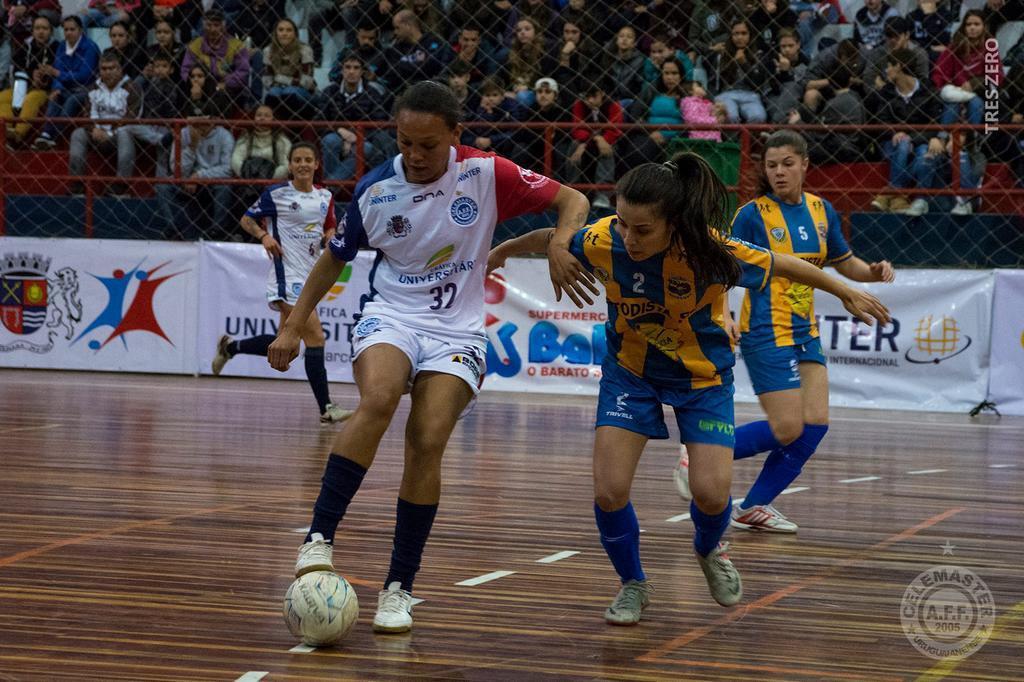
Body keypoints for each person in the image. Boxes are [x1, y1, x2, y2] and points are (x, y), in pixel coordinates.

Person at [491, 151, 891, 623]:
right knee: (609, 490)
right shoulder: (604, 238)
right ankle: (633, 583)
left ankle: (708, 548)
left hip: (703, 379)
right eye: (622, 223)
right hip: (630, 374)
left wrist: (845, 289)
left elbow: (781, 264)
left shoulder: (710, 249)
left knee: (711, 495)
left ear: (675, 223)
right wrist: (503, 251)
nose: (627, 237)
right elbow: (550, 236)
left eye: (642, 230)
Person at [266, 80, 591, 634]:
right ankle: (318, 537)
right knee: (379, 399)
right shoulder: (376, 189)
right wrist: (294, 323)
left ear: (455, 137)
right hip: (393, 315)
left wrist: (561, 242)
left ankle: (400, 588)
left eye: (428, 145)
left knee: (427, 439)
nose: (414, 156)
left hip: (459, 331)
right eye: (405, 142)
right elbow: (332, 259)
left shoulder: (487, 173)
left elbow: (572, 200)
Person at [671, 131, 895, 534]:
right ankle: (697, 449)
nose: (779, 172)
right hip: (764, 331)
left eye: (787, 163)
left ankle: (754, 505)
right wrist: (724, 312)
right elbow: (718, 264)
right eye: (771, 165)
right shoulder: (753, 214)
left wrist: (872, 273)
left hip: (805, 331)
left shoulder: (821, 210)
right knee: (786, 428)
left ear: (805, 164)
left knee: (816, 424)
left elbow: (845, 264)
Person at [212, 143, 351, 425]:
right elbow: (246, 219)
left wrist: (329, 234)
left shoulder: (326, 196)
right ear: (289, 165)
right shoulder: (276, 194)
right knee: (316, 338)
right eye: (297, 159)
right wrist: (264, 236)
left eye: (308, 159)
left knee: (288, 347)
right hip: (286, 276)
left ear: (316, 165)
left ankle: (231, 348)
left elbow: (330, 225)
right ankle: (327, 407)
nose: (302, 164)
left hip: (312, 276)